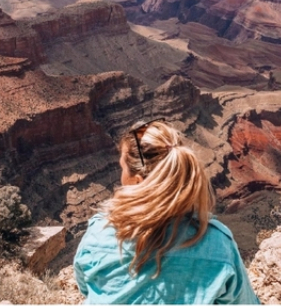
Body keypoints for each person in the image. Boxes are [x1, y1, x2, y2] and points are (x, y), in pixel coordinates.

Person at [73, 120, 259, 304]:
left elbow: (86, 288)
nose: (120, 177)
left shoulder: (98, 234)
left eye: (123, 168)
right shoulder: (217, 244)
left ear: (138, 182)